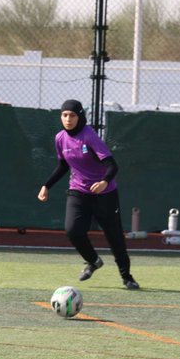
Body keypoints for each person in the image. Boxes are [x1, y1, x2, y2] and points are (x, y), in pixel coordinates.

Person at [37, 99, 139, 290]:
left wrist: (104, 182)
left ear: (80, 116)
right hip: (79, 191)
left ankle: (127, 277)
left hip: (105, 194)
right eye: (64, 115)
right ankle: (93, 261)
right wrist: (46, 186)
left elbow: (112, 165)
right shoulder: (60, 138)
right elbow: (63, 165)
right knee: (72, 230)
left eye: (72, 115)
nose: (68, 119)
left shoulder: (89, 135)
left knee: (114, 237)